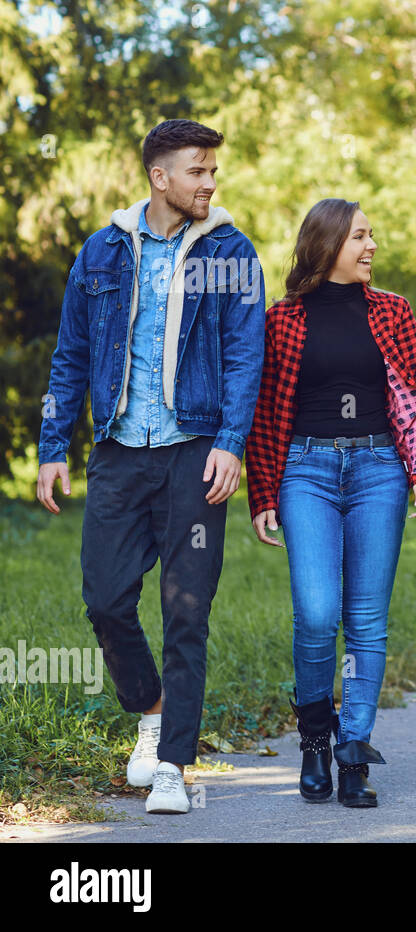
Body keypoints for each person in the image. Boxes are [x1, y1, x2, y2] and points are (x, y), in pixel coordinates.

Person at [35, 119, 266, 814]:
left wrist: (231, 440)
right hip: (118, 453)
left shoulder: (230, 251)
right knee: (105, 599)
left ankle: (172, 765)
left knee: (185, 612)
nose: (210, 183)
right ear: (159, 177)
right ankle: (151, 709)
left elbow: (244, 354)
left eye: (212, 171)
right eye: (197, 170)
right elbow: (71, 356)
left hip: (196, 453)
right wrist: (52, 447)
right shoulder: (102, 252)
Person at [244, 199, 416, 809]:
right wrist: (263, 494)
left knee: (367, 621)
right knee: (317, 613)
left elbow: (415, 395)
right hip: (307, 469)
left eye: (371, 235)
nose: (371, 245)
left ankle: (354, 754)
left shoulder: (394, 311)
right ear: (327, 244)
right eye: (360, 236)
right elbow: (264, 413)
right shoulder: (282, 319)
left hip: (379, 469)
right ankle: (313, 741)